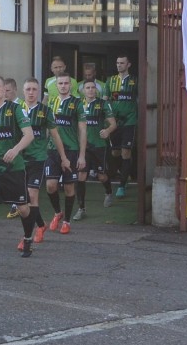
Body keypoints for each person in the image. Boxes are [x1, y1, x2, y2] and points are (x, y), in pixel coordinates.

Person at [0, 73, 35, 266]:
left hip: (14, 169)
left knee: (23, 208)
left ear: (4, 90)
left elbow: (29, 135)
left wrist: (15, 149)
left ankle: (27, 238)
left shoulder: (16, 109)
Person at [16, 77, 66, 251]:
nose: (31, 93)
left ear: (39, 92)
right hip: (19, 160)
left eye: (34, 89)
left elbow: (55, 135)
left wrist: (64, 157)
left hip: (37, 158)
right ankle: (41, 224)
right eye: (28, 89)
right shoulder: (16, 109)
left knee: (32, 195)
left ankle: (27, 236)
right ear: (23, 92)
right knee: (22, 201)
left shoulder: (45, 111)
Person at [44, 72, 87, 235]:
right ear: (56, 86)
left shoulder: (77, 103)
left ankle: (67, 221)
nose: (63, 86)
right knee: (50, 185)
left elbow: (83, 129)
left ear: (71, 85)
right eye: (60, 83)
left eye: (66, 83)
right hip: (52, 150)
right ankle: (57, 212)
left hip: (71, 150)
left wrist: (82, 155)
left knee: (69, 188)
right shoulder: (51, 103)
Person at [74, 79, 117, 218]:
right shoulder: (77, 104)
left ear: (96, 90)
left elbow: (113, 124)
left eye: (93, 87)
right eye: (88, 87)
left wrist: (108, 131)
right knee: (81, 175)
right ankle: (81, 209)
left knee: (101, 176)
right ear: (83, 90)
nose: (91, 90)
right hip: (83, 147)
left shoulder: (103, 104)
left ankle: (109, 192)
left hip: (99, 146)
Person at [107, 54, 138, 198]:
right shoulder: (111, 81)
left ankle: (122, 184)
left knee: (126, 152)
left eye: (122, 63)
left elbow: (140, 99)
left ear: (128, 64)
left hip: (129, 121)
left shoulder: (134, 80)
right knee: (115, 153)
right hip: (115, 122)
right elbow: (106, 101)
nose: (119, 65)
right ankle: (125, 173)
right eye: (117, 63)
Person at [3, 77, 24, 220]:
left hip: (22, 148)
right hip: (7, 147)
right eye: (3, 90)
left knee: (19, 176)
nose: (5, 94)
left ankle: (19, 204)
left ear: (15, 90)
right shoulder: (3, 106)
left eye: (8, 91)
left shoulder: (22, 106)